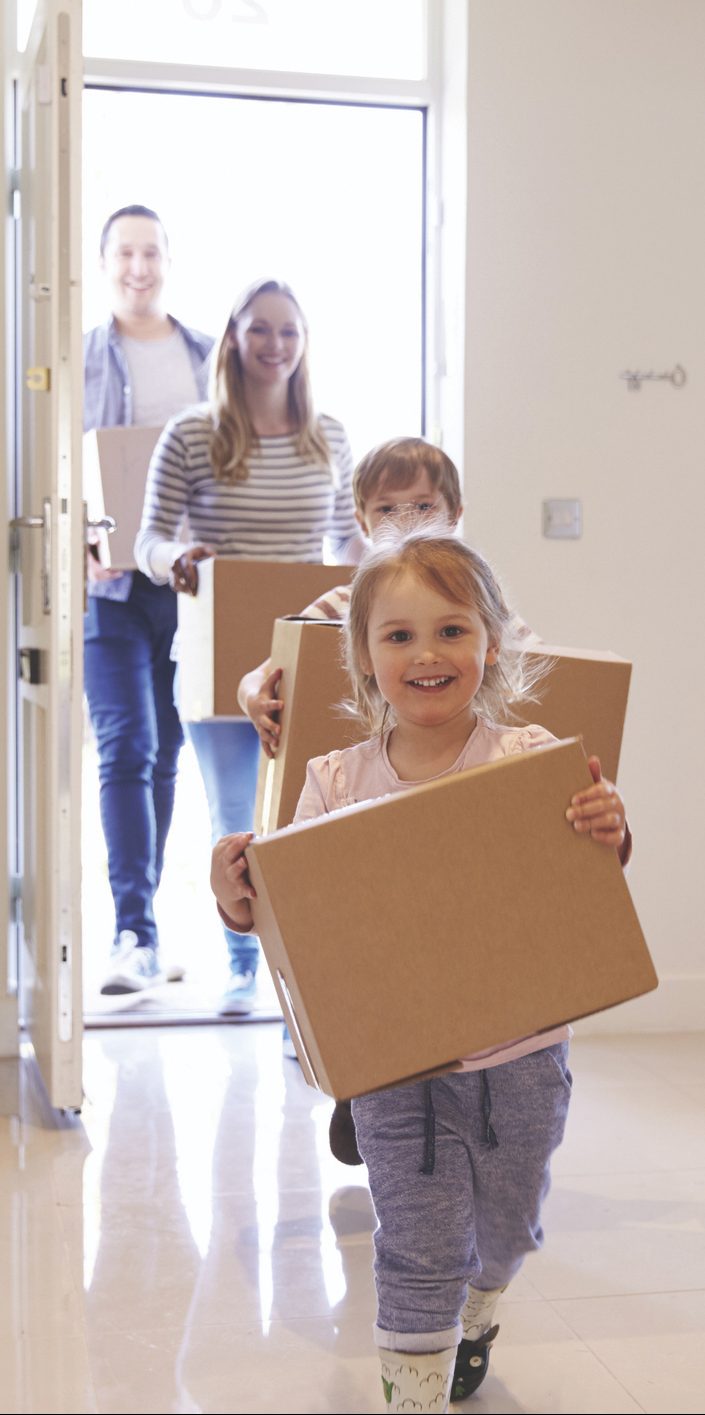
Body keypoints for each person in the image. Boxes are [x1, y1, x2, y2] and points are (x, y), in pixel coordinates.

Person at [210, 520, 631, 1413]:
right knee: (414, 1242)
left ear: (491, 641)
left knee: (505, 1229)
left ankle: (483, 1307)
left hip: (520, 1058)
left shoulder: (528, 759)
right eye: (397, 635)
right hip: (396, 1072)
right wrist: (235, 891)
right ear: (363, 660)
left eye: (451, 629)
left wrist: (609, 829)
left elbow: (583, 885)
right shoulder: (333, 782)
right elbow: (293, 923)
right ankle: (414, 1392)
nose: (426, 653)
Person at [134, 277, 365, 1016]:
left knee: (311, 818)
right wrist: (174, 558)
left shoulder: (326, 434)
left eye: (288, 331)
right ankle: (243, 963)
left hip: (305, 659)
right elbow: (147, 537)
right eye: (260, 330)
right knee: (237, 815)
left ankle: (303, 976)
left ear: (304, 343)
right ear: (233, 337)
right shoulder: (194, 434)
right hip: (215, 658)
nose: (274, 345)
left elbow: (347, 541)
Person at [84, 204, 214, 995]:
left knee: (167, 753)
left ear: (167, 260)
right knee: (124, 745)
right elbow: (55, 453)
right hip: (111, 586)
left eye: (151, 252)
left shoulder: (203, 354)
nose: (139, 266)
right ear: (106, 264)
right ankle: (131, 928)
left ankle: (149, 922)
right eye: (125, 253)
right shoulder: (83, 355)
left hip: (189, 583)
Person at [237, 436, 464, 757]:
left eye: (423, 506)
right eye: (386, 509)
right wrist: (253, 699)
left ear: (454, 515)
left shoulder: (472, 598)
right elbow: (257, 676)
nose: (405, 521)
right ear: (362, 522)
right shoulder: (342, 603)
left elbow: (537, 658)